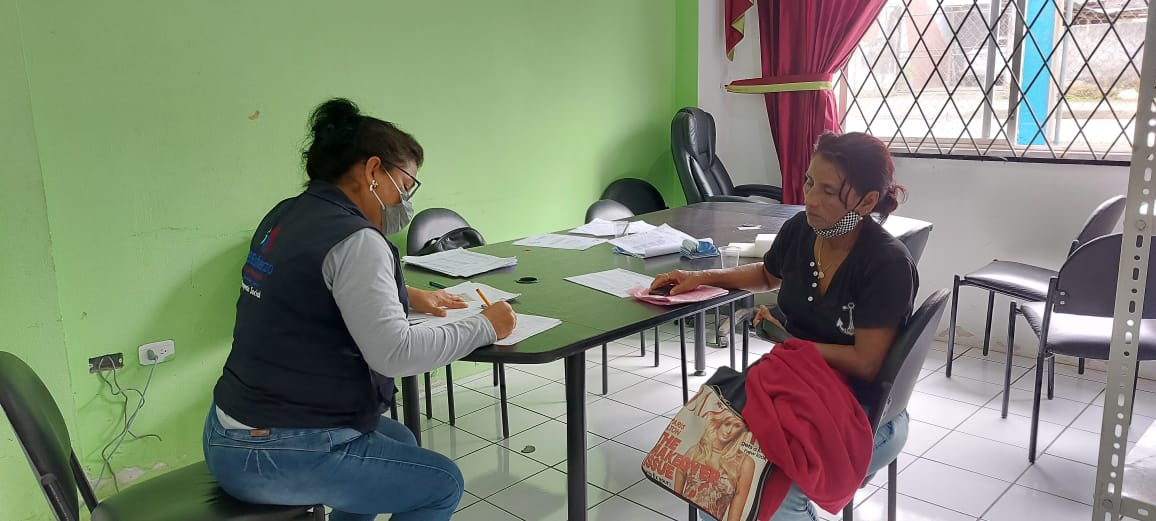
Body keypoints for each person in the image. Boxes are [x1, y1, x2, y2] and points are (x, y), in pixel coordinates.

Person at [202, 98, 517, 521]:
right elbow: (396, 354)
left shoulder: (287, 213)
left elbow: (310, 288)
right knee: (442, 484)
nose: (406, 201)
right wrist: (486, 326)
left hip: (228, 428)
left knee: (401, 439)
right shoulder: (357, 240)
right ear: (372, 171)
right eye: (405, 185)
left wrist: (407, 294)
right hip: (274, 451)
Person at [651, 131, 917, 521]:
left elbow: (866, 362)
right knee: (716, 468)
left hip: (863, 416)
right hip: (794, 395)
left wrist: (788, 340)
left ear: (866, 201)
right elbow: (767, 274)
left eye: (828, 191)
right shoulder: (802, 231)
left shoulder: (885, 263)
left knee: (766, 488)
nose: (811, 198)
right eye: (809, 182)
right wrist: (703, 277)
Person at [674, 410, 756, 521]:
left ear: (741, 431)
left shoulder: (745, 463)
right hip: (693, 511)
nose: (729, 431)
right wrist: (678, 497)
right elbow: (680, 470)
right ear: (718, 424)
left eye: (737, 426)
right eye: (727, 424)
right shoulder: (698, 450)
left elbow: (739, 497)